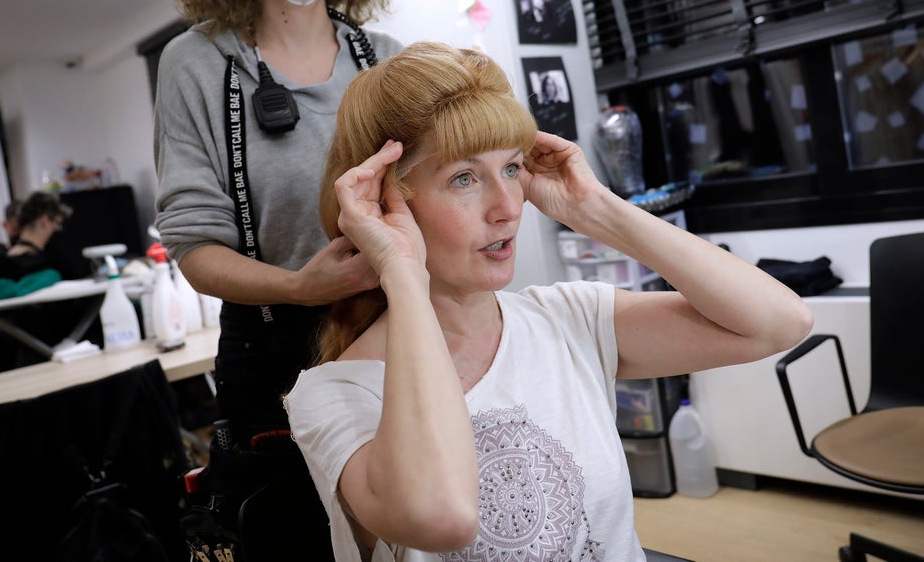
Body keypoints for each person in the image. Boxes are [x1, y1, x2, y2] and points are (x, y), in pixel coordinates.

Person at [286, 42, 813, 560]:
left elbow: (779, 324)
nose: (506, 207)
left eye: (512, 169)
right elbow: (441, 515)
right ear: (383, 203)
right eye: (464, 178)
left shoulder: (566, 319)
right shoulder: (334, 395)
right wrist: (400, 271)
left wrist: (597, 209)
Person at [151, 0, 403, 553]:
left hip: (396, 337)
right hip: (274, 363)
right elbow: (195, 244)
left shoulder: (381, 61)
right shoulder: (197, 65)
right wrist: (300, 286)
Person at [0, 191, 98, 374]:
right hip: (43, 338)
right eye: (57, 224)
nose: (58, 230)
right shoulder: (54, 263)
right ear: (45, 221)